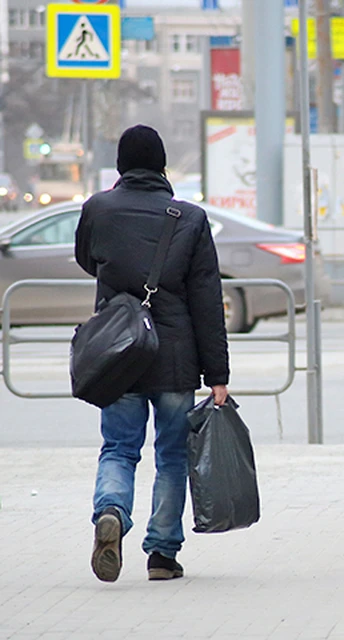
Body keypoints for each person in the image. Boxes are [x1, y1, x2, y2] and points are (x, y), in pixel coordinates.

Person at [75, 125, 230, 583]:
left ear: (121, 165)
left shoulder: (97, 209)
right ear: (162, 166)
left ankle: (111, 512)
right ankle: (162, 553)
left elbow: (89, 259)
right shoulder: (190, 218)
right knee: (172, 455)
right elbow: (207, 299)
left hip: (117, 354)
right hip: (175, 360)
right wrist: (217, 373)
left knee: (119, 448)